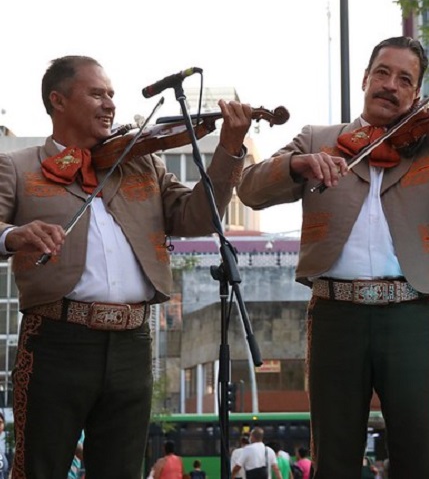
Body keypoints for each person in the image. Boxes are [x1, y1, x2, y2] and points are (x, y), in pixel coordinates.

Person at [237, 35, 429, 478]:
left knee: (419, 453)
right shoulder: (320, 138)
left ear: (417, 94)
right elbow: (250, 189)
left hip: (410, 310)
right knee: (334, 453)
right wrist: (298, 165)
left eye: (404, 79)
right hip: (335, 311)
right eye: (382, 73)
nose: (390, 85)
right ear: (366, 78)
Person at [2, 55, 251, 478]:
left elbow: (197, 216)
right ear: (57, 100)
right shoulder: (17, 165)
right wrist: (13, 236)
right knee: (38, 469)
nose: (109, 104)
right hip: (56, 340)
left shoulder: (144, 162)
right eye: (96, 93)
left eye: (112, 94)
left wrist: (228, 149)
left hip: (133, 342)